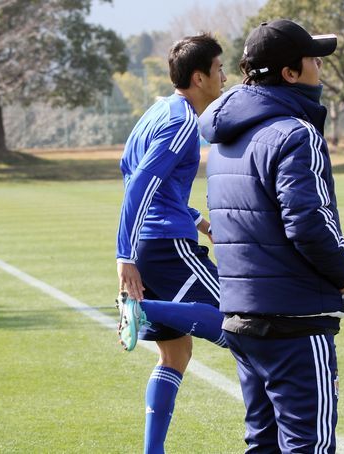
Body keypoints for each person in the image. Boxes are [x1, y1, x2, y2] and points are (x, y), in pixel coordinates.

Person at [199, 19, 344, 453]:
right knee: (309, 445)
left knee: (263, 444)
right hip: (294, 320)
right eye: (313, 60)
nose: (320, 68)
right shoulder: (296, 133)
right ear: (289, 73)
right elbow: (308, 222)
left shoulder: (225, 138)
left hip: (241, 315)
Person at [115, 33, 227, 454]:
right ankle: (141, 310)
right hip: (164, 245)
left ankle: (153, 451)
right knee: (239, 320)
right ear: (199, 77)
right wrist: (124, 255)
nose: (224, 77)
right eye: (219, 69)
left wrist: (199, 221)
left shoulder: (158, 110)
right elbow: (140, 184)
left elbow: (138, 175)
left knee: (175, 352)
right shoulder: (182, 123)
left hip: (153, 242)